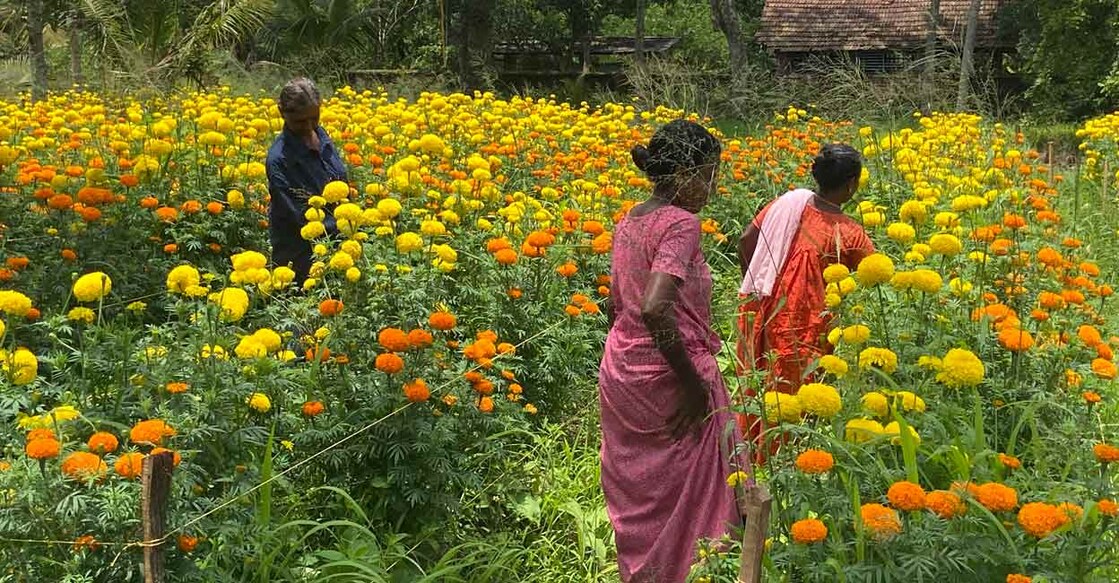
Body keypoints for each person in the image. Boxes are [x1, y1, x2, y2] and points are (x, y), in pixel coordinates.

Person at [600, 119, 743, 583]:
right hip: (667, 376)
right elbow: (655, 306)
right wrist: (692, 385)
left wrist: (631, 356)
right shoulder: (682, 223)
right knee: (694, 500)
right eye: (708, 174)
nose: (711, 186)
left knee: (642, 495)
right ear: (684, 174)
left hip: (624, 370)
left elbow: (614, 302)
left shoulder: (631, 219)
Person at [735, 144, 875, 459]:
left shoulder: (786, 203)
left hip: (759, 308)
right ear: (852, 183)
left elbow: (745, 242)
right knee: (792, 395)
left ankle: (746, 461)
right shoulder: (851, 233)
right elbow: (876, 276)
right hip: (803, 325)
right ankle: (781, 465)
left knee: (755, 387)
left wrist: (756, 282)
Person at [266, 77, 347, 285]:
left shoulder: (321, 135)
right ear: (281, 112)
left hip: (338, 246)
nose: (309, 126)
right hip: (302, 259)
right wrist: (349, 225)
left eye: (314, 118)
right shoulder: (279, 160)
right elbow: (301, 215)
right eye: (301, 121)